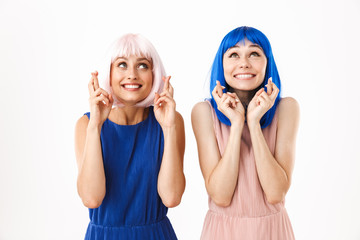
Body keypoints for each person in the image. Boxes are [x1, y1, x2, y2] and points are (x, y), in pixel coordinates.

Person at [191, 26, 300, 239]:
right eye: (233, 54)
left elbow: (276, 193)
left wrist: (254, 121)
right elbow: (221, 197)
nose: (244, 63)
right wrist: (237, 123)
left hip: (272, 231)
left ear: (267, 62)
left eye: (254, 53)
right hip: (222, 231)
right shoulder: (204, 112)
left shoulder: (287, 108)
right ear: (221, 64)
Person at [74, 33, 185, 240]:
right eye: (122, 65)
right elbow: (91, 198)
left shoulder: (170, 121)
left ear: (154, 74)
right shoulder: (86, 124)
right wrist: (96, 126)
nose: (132, 74)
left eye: (142, 65)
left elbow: (171, 197)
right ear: (109, 73)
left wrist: (169, 128)